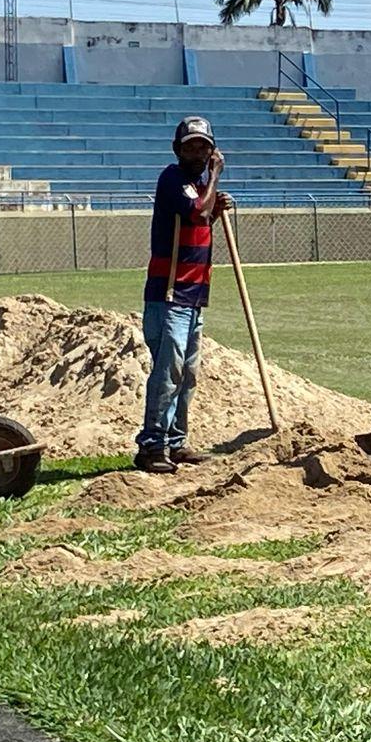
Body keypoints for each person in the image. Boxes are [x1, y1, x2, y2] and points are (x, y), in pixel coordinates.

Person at [135, 115, 232, 474]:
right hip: (169, 293)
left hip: (194, 295)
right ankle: (152, 445)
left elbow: (202, 221)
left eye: (204, 145)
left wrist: (215, 209)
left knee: (187, 374)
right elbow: (195, 213)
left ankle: (175, 442)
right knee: (167, 372)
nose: (198, 151)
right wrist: (216, 179)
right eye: (190, 145)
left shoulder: (198, 184)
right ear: (178, 148)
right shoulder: (173, 179)